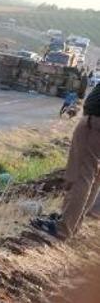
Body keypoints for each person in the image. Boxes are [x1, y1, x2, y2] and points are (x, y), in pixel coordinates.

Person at [50, 84, 100, 240]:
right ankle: (73, 223)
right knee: (93, 177)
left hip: (95, 123)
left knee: (82, 176)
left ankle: (63, 227)